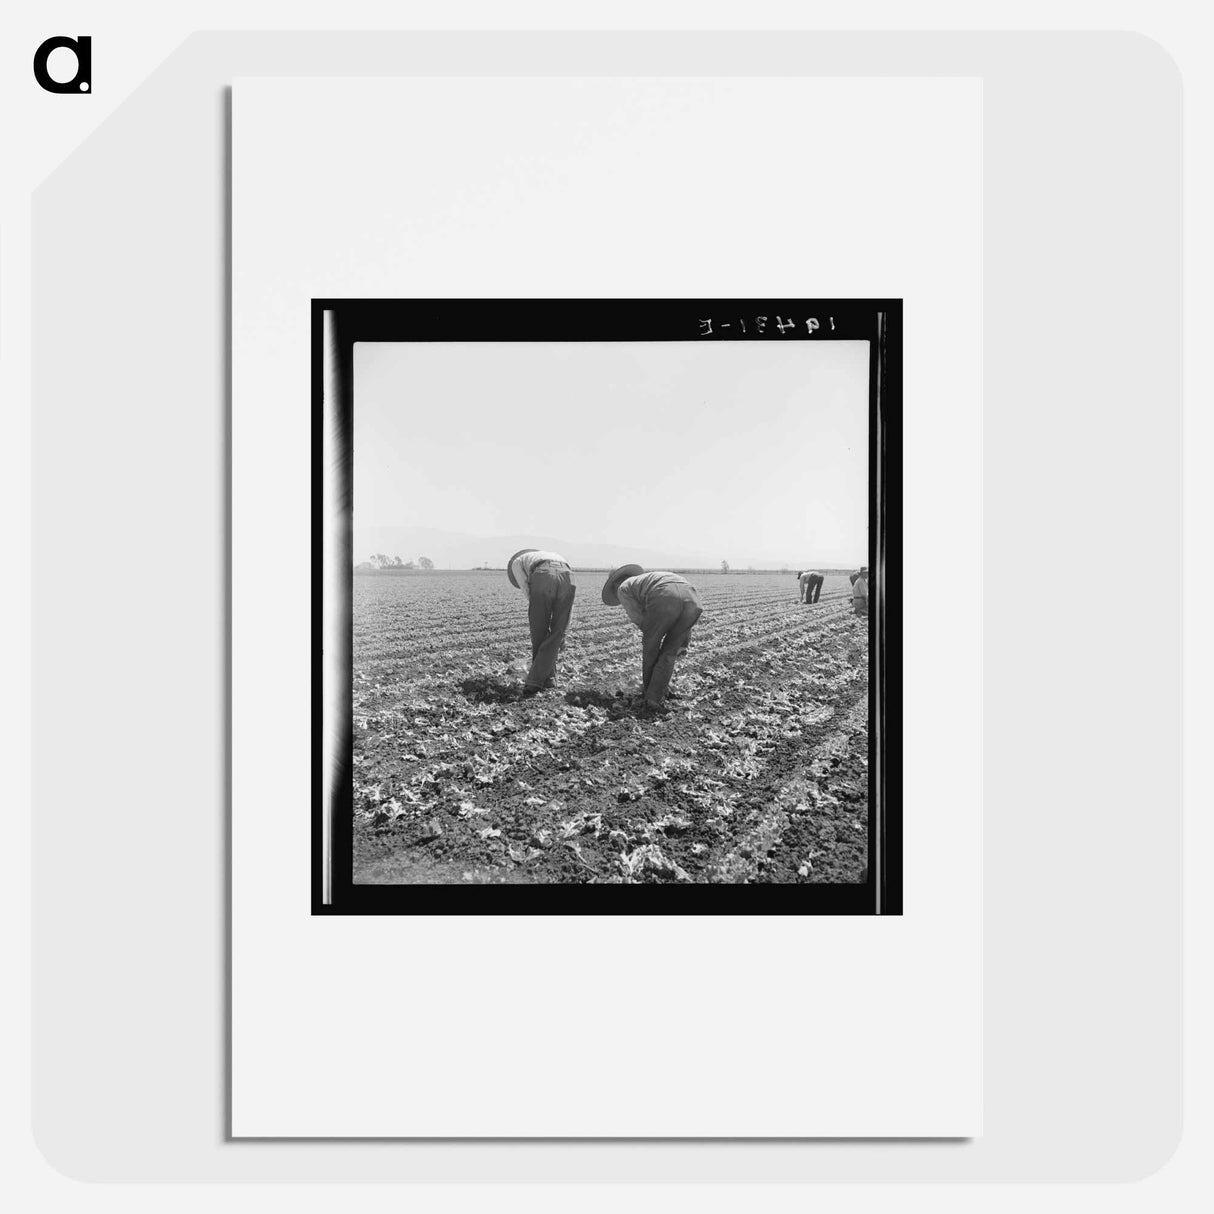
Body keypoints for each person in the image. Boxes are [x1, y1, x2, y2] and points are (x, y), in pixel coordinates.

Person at [601, 565, 703, 711]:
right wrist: (683, 640)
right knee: (670, 652)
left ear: (616, 583)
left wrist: (651, 634)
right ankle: (657, 696)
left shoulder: (622, 588)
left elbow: (638, 617)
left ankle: (648, 694)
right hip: (693, 599)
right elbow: (681, 597)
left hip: (665, 597)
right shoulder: (647, 579)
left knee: (651, 648)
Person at [507, 548, 576, 696]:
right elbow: (568, 608)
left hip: (544, 575)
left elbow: (526, 587)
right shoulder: (552, 555)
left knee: (539, 631)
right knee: (558, 632)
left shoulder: (517, 563)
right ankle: (549, 680)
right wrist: (565, 631)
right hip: (568, 575)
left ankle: (534, 681)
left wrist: (535, 605)